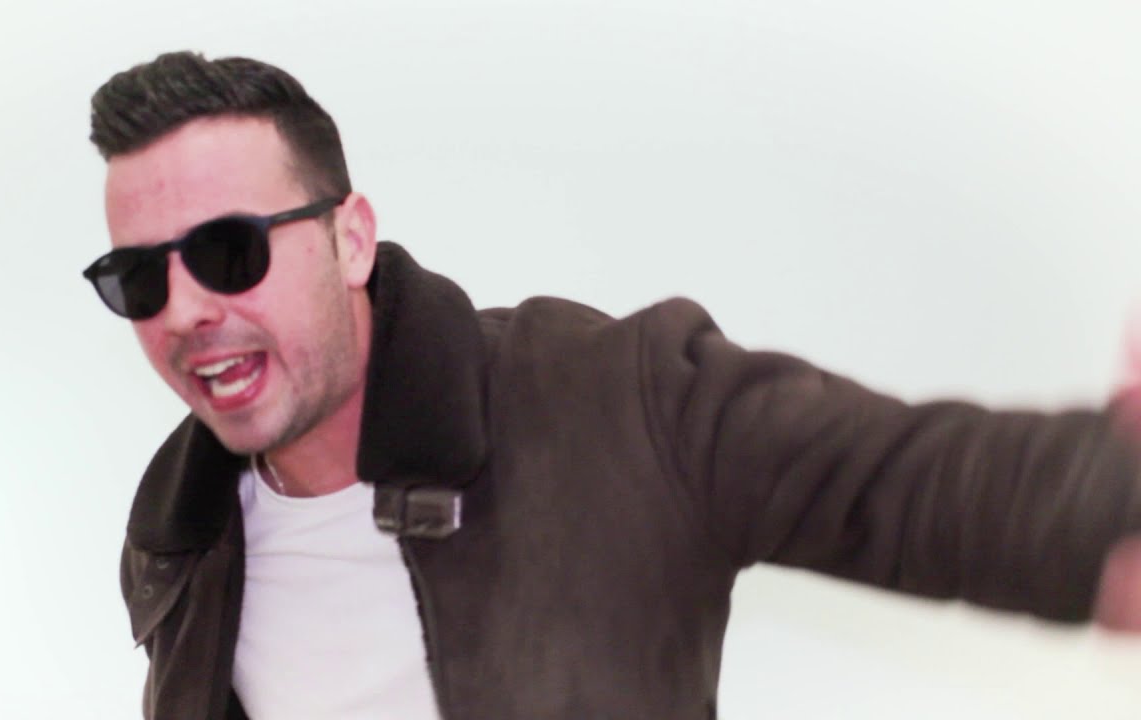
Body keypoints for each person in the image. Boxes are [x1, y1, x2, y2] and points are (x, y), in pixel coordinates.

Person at [83, 51, 1141, 720]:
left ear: (349, 239)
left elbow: (898, 485)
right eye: (138, 279)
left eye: (227, 252)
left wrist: (1106, 490)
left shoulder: (605, 399)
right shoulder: (179, 538)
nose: (183, 312)